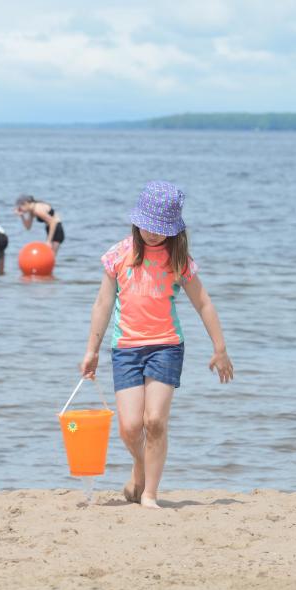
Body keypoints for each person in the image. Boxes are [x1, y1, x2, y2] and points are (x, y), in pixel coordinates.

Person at [79, 181, 233, 509]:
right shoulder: (119, 255)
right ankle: (138, 465)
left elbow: (203, 302)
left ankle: (149, 493)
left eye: (160, 229)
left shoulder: (177, 259)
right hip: (126, 349)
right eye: (148, 226)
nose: (152, 234)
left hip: (165, 347)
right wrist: (91, 350)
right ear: (137, 221)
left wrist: (219, 347)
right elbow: (102, 304)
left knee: (155, 422)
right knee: (130, 426)